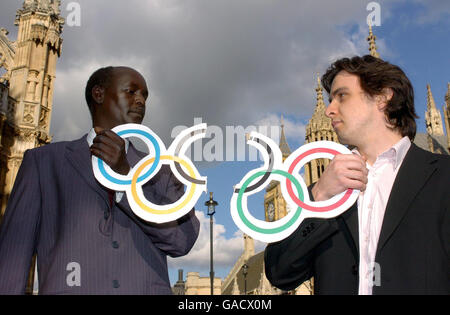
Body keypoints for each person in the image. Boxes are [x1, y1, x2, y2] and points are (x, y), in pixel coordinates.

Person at [0, 66, 200, 294]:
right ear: (99, 94)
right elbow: (13, 255)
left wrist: (127, 177)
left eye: (144, 95)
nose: (141, 101)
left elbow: (182, 241)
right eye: (131, 91)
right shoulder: (43, 163)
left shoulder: (164, 169)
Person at [264, 55, 450, 295]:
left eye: (342, 96)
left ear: (383, 97)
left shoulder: (442, 176)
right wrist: (319, 197)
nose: (330, 110)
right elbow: (280, 272)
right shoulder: (324, 192)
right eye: (330, 99)